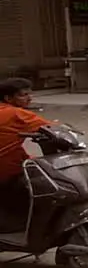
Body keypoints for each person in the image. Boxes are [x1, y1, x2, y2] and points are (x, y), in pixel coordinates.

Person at [0, 78, 52, 213]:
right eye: (23, 95)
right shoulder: (15, 113)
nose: (29, 98)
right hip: (5, 169)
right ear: (8, 98)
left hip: (9, 159)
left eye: (30, 94)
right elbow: (50, 128)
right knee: (41, 179)